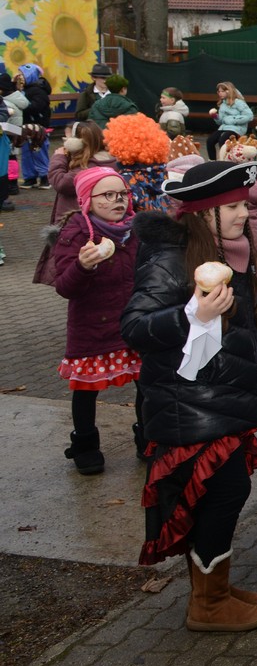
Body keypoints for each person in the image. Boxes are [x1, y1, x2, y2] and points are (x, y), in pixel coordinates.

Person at [122, 160, 257, 632]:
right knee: (223, 492)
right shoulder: (171, 259)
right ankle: (208, 604)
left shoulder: (233, 253)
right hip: (188, 405)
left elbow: (235, 329)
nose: (243, 214)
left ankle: (213, 590)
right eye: (231, 207)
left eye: (244, 205)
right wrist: (190, 316)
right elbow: (135, 328)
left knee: (218, 494)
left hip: (220, 398)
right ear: (204, 213)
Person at [49, 169, 143, 475]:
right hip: (92, 327)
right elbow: (65, 287)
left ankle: (148, 436)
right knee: (86, 390)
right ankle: (86, 445)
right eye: (108, 195)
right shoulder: (76, 234)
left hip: (134, 323)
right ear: (87, 199)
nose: (118, 200)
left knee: (147, 383)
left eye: (123, 194)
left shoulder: (137, 230)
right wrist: (82, 265)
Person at [46, 121, 116, 224]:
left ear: (76, 143)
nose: (64, 144)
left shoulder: (86, 168)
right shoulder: (109, 161)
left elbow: (61, 183)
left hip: (76, 223)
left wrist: (58, 158)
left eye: (67, 139)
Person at [17, 63, 53, 189]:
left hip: (38, 128)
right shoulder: (23, 90)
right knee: (26, 153)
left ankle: (44, 177)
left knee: (39, 151)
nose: (19, 77)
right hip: (26, 127)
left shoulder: (38, 91)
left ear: (29, 76)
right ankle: (30, 178)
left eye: (22, 74)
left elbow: (35, 107)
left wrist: (21, 103)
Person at [208, 82, 253, 160]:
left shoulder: (239, 102)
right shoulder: (222, 104)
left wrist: (232, 120)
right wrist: (215, 117)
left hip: (237, 129)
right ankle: (212, 161)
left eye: (222, 91)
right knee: (210, 140)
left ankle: (224, 161)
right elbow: (221, 121)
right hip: (224, 128)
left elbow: (249, 116)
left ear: (229, 91)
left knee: (223, 140)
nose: (220, 93)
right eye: (219, 91)